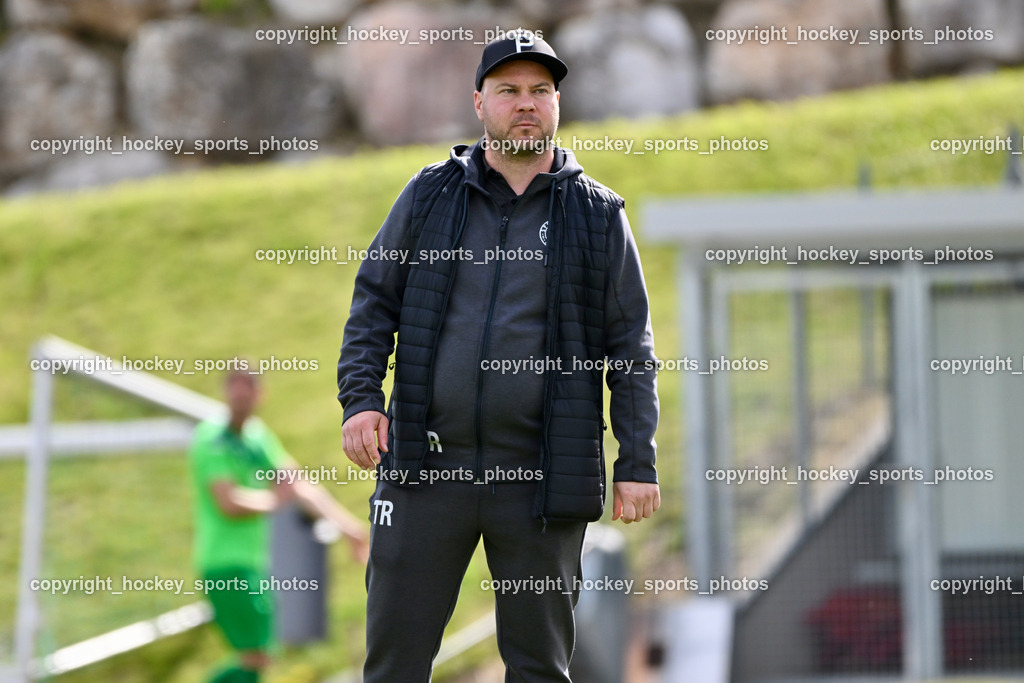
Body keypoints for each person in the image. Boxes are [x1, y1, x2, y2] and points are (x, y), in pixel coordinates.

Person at [337, 32, 660, 682]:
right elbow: (374, 300)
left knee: (539, 668)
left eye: (540, 90)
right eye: (509, 90)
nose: (526, 103)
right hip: (424, 470)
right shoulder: (428, 195)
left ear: (557, 103)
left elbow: (631, 346)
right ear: (479, 102)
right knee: (394, 666)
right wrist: (362, 399)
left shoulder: (598, 215)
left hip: (542, 477)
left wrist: (637, 460)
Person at [189, 368, 369, 683]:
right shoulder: (213, 438)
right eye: (236, 388)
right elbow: (228, 502)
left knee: (260, 656)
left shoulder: (256, 437)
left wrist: (348, 528)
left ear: (261, 394)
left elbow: (299, 485)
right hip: (225, 564)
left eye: (248, 388)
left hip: (252, 563)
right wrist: (275, 501)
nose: (241, 396)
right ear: (225, 392)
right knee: (255, 657)